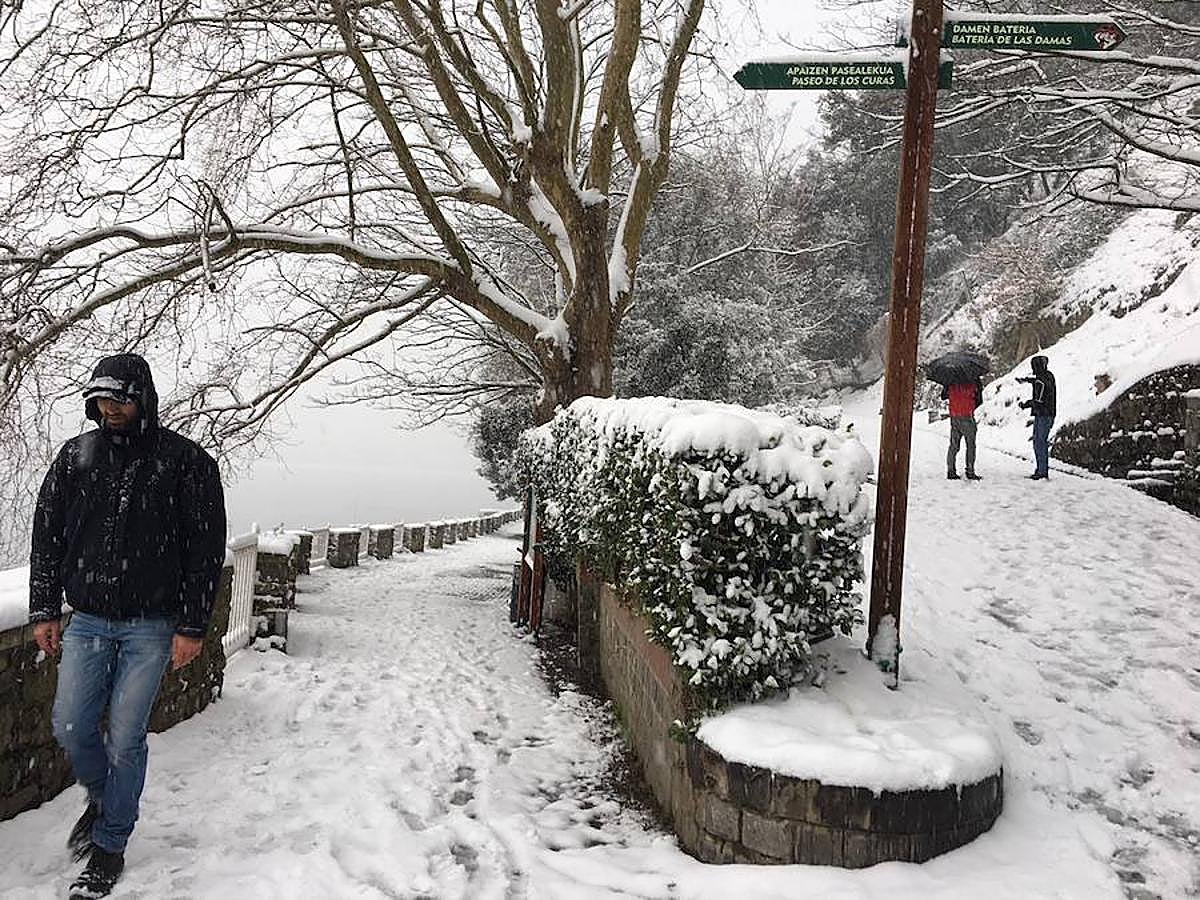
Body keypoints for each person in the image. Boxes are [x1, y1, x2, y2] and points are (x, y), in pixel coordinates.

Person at [29, 353, 226, 899]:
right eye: (101, 398)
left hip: (151, 626)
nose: (110, 407)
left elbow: (205, 549)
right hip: (88, 619)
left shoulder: (185, 462)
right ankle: (105, 799)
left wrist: (192, 625)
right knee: (71, 725)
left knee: (125, 737)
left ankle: (109, 845)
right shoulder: (77, 456)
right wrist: (43, 609)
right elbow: (47, 535)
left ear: (142, 397)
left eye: (120, 397)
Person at [1018, 355, 1057, 480]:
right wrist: (1027, 380)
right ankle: (1041, 470)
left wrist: (1025, 405)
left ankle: (1041, 471)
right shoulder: (1048, 376)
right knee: (1040, 442)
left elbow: (1038, 401)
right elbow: (1040, 382)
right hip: (1048, 413)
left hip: (1042, 414)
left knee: (1039, 443)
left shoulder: (1040, 382)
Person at [942, 376, 984, 480]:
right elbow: (979, 400)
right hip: (967, 416)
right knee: (970, 445)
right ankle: (970, 471)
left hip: (954, 415)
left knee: (953, 445)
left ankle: (951, 471)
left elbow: (943, 396)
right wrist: (970, 405)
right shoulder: (974, 379)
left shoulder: (950, 379)